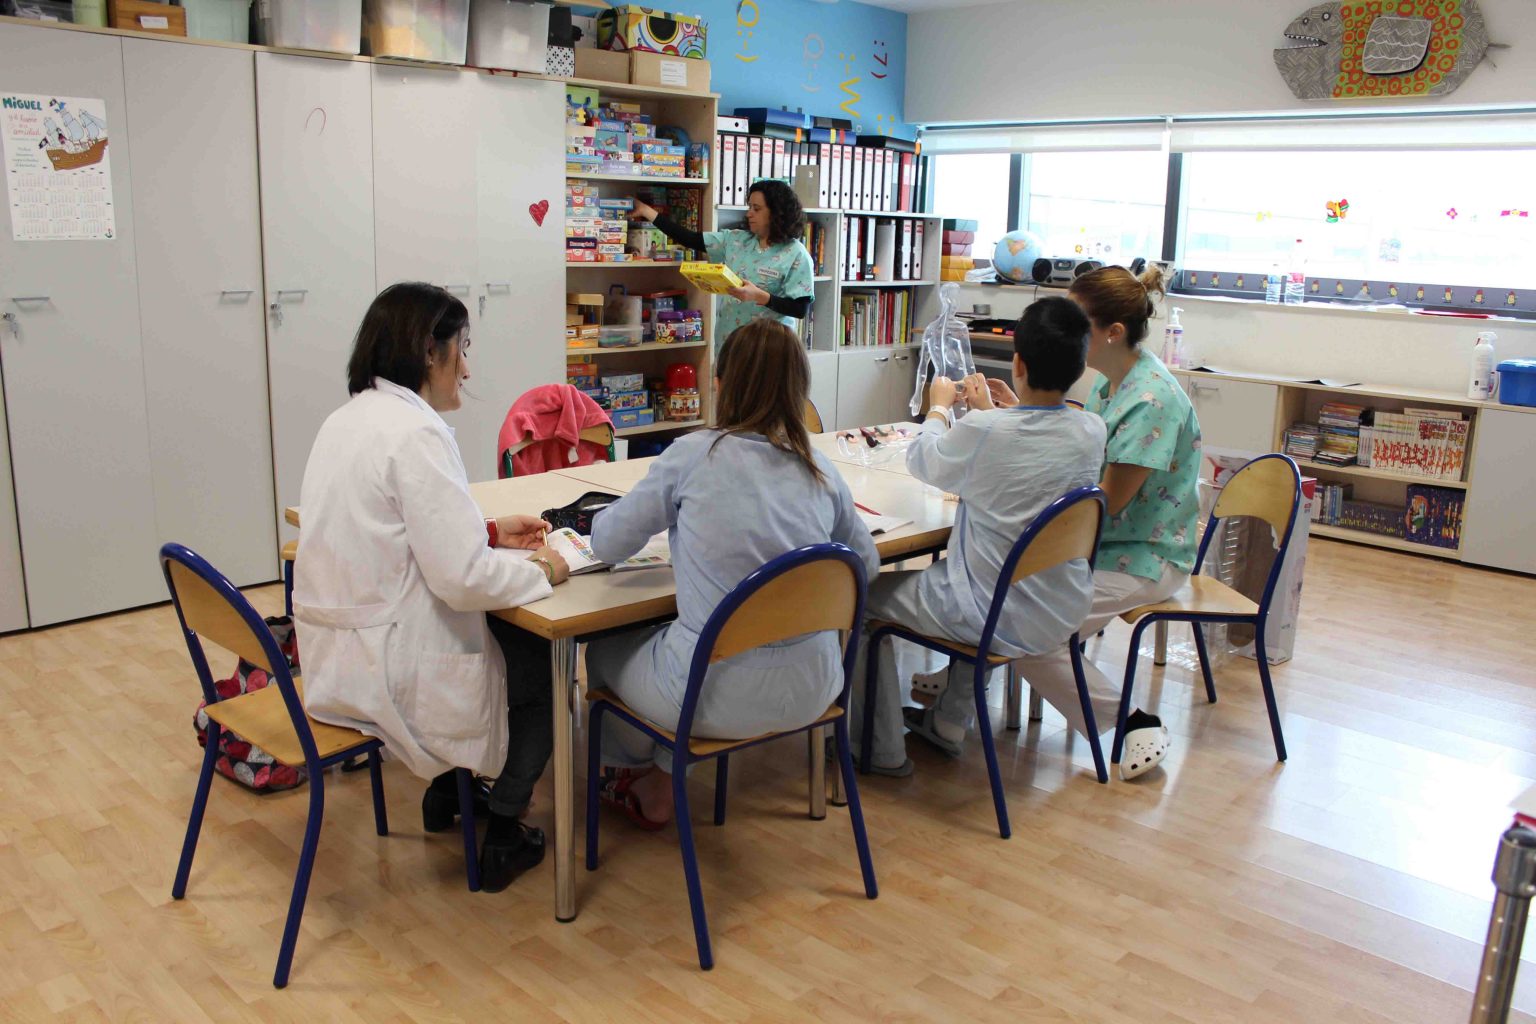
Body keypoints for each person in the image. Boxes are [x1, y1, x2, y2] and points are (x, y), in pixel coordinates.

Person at [292, 282, 573, 893]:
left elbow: (395, 531)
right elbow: (462, 579)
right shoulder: (417, 435)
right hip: (388, 663)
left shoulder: (349, 419)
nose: (465, 368)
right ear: (428, 351)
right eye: (461, 349)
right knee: (544, 668)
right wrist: (543, 569)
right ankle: (503, 829)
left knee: (501, 639)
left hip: (340, 651)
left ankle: (450, 791)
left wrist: (491, 530)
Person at [584, 319, 879, 826]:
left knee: (605, 650)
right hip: (817, 686)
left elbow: (607, 542)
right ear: (799, 389)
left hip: (707, 695)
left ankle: (635, 778)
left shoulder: (693, 455)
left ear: (720, 384)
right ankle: (661, 775)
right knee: (689, 643)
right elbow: (863, 567)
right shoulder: (820, 468)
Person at [849, 297, 1106, 775]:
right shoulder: (1092, 428)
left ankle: (877, 747)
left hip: (992, 613)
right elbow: (1026, 448)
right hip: (1062, 603)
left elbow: (923, 461)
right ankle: (949, 721)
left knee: (858, 600)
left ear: (1019, 363)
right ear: (1081, 366)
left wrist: (939, 409)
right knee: (980, 571)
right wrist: (1004, 409)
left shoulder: (988, 430)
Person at [991, 265, 1201, 780]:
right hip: (1103, 547)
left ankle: (1131, 721)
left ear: (1113, 332)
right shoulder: (1114, 384)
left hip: (1143, 554)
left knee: (1020, 625)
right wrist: (1024, 412)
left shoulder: (1150, 399)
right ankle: (950, 702)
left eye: (1076, 319)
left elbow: (1107, 504)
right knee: (1002, 606)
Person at [630, 179, 815, 346]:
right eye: (749, 207)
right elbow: (689, 238)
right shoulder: (736, 239)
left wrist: (760, 296)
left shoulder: (796, 254)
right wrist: (647, 211)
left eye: (757, 209)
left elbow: (799, 309)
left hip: (767, 347)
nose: (749, 213)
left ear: (777, 213)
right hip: (729, 341)